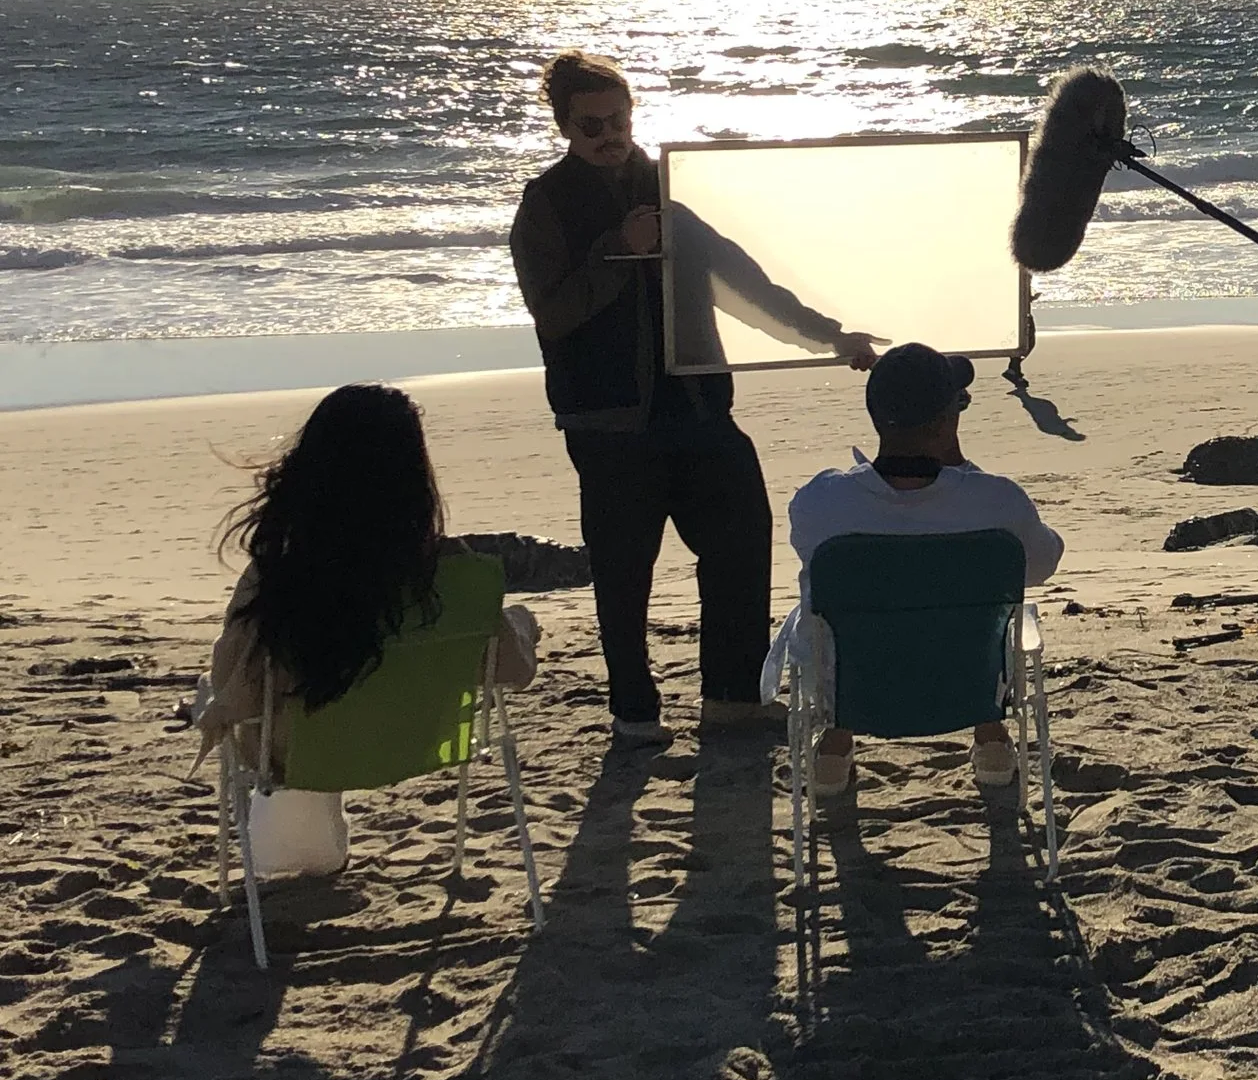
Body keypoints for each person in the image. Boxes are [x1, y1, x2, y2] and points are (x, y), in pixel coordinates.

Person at [509, 50, 873, 750]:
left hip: (702, 407)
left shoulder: (668, 180)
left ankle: (732, 700)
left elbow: (740, 279)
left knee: (742, 543)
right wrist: (617, 249)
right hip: (608, 422)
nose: (610, 135)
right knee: (623, 574)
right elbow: (552, 314)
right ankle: (634, 713)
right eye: (592, 125)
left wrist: (829, 336)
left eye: (618, 120)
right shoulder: (545, 203)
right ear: (565, 127)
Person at [194, 384, 540, 872]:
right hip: (421, 739)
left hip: (304, 755)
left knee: (280, 698)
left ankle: (302, 846)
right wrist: (522, 626)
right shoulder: (455, 575)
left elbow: (239, 690)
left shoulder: (280, 580)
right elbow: (514, 671)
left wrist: (212, 701)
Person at [779, 342, 1065, 795]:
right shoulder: (997, 502)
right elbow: (1044, 563)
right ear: (949, 419)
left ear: (874, 415)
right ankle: (991, 738)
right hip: (968, 688)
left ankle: (834, 747)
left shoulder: (821, 501)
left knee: (838, 611)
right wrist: (959, 466)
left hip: (852, 693)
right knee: (984, 614)